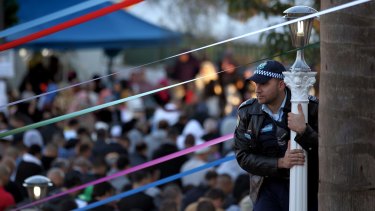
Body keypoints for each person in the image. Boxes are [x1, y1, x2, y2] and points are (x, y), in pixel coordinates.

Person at [234, 60, 318, 211]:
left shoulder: (309, 107)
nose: (257, 89)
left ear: (281, 85)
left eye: (264, 84)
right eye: (255, 84)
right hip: (268, 186)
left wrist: (304, 131)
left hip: (308, 186)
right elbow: (243, 156)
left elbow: (329, 150)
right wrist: (280, 163)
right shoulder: (247, 111)